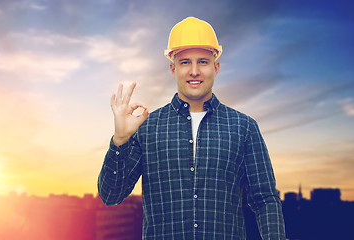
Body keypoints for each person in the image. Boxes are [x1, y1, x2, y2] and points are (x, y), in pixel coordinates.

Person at [98, 16, 285, 240]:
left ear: (216, 67)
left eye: (203, 62)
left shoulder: (243, 128)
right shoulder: (147, 128)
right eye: (185, 62)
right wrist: (120, 140)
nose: (194, 71)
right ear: (172, 68)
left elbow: (264, 199)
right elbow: (111, 195)